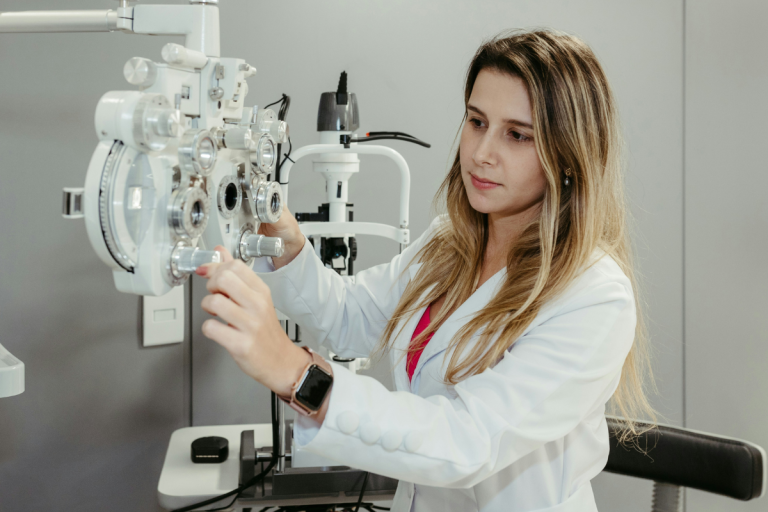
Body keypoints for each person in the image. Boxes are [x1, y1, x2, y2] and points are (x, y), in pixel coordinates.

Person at [195, 29, 654, 512]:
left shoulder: (593, 296)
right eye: (477, 122)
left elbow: (467, 441)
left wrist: (295, 372)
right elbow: (351, 316)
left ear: (569, 155)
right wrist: (286, 245)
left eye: (517, 135)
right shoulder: (450, 242)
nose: (481, 152)